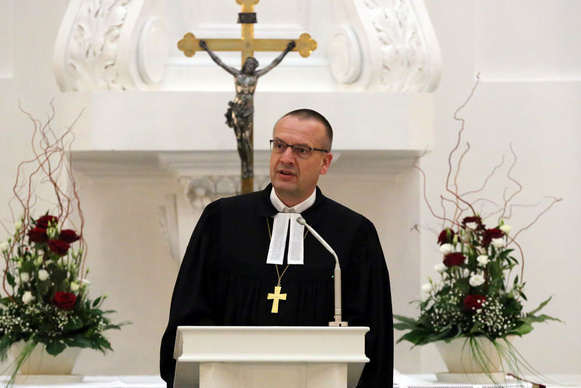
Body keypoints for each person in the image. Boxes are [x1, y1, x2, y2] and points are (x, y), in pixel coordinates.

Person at [160, 109, 393, 387]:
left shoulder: (353, 234)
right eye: (279, 145)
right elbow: (190, 311)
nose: (286, 158)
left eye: (301, 150)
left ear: (325, 162)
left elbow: (373, 335)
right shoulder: (221, 220)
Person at [199, 39, 296, 179]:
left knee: (246, 139)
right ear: (245, 65)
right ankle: (244, 165)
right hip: (237, 110)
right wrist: (207, 48)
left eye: (253, 65)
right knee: (239, 139)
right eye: (248, 64)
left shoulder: (255, 76)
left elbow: (274, 63)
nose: (250, 67)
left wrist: (286, 50)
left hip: (248, 111)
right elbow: (219, 62)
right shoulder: (237, 75)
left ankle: (249, 166)